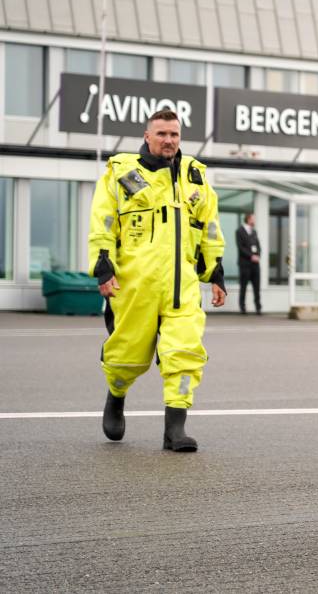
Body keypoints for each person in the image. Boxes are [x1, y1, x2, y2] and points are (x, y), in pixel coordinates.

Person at [88, 108, 227, 453]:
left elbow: (210, 228)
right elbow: (103, 223)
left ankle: (175, 429)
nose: (169, 140)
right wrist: (103, 268)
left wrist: (216, 273)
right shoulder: (121, 174)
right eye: (162, 134)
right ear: (147, 136)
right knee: (127, 354)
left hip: (182, 287)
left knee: (185, 352)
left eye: (175, 135)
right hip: (134, 285)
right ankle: (116, 397)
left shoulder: (195, 177)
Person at [236, 212, 262, 314]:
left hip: (255, 264)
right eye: (253, 218)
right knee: (243, 287)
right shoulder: (239, 231)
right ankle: (242, 308)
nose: (254, 220)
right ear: (248, 219)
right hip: (245, 264)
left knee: (257, 287)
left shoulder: (254, 232)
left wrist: (258, 255)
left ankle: (258, 308)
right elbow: (240, 247)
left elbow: (258, 246)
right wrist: (251, 256)